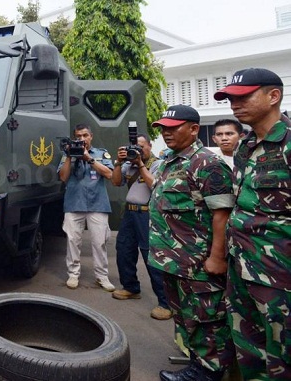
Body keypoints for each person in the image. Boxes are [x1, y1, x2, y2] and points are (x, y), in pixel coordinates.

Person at [214, 68, 291, 380]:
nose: (234, 104)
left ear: (273, 96)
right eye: (231, 98)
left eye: (243, 96)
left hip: (280, 278)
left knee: (282, 359)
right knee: (250, 354)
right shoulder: (245, 147)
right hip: (242, 268)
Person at [148, 105, 235, 381]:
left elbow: (221, 214)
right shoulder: (169, 162)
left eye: (173, 127)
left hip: (197, 262)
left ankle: (209, 372)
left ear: (194, 129)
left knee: (206, 319)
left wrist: (217, 257)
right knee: (186, 317)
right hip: (172, 261)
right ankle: (197, 364)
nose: (166, 132)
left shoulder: (207, 164)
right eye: (163, 127)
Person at [110, 133, 171, 320]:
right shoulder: (128, 164)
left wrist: (140, 164)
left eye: (141, 147)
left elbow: (155, 185)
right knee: (124, 249)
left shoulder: (158, 164)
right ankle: (130, 287)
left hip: (147, 214)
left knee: (150, 255)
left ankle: (165, 302)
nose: (137, 151)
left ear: (150, 146)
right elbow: (116, 181)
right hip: (129, 213)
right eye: (134, 148)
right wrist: (119, 163)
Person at [58, 124, 115, 291]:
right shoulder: (68, 153)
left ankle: (102, 276)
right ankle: (73, 274)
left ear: (91, 137)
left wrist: (88, 159)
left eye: (84, 135)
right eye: (78, 136)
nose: (81, 139)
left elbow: (109, 174)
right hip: (74, 203)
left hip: (98, 203)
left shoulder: (101, 153)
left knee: (99, 242)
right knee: (72, 241)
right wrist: (70, 156)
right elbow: (63, 177)